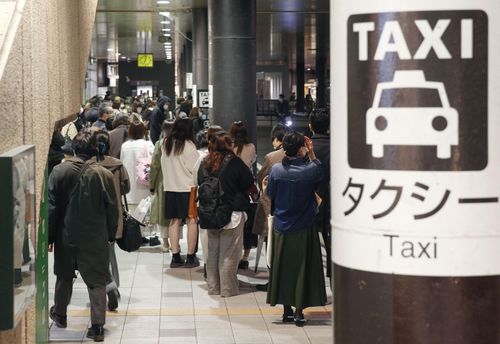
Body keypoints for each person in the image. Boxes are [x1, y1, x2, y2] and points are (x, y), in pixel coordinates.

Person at [48, 130, 119, 342]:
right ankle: (97, 327)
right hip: (95, 236)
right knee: (96, 281)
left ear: (74, 148)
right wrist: (111, 233)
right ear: (95, 150)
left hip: (66, 234)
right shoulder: (103, 175)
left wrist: (50, 238)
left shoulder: (59, 171)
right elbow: (111, 209)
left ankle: (60, 314)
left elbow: (52, 208)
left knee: (64, 275)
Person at [266, 131, 326, 327]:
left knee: (283, 267)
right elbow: (321, 174)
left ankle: (286, 310)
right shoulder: (310, 170)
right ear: (301, 148)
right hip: (304, 225)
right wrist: (312, 153)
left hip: (282, 225)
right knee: (302, 267)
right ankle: (299, 311)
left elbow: (271, 194)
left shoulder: (276, 170)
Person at [197, 131, 254, 297]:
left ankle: (213, 287)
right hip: (232, 213)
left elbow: (199, 182)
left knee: (212, 252)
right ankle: (228, 289)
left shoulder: (204, 162)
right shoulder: (235, 162)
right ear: (228, 145)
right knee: (229, 253)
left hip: (210, 212)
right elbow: (248, 182)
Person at [90, 129, 131, 311]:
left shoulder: (87, 165)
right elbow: (126, 188)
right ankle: (114, 285)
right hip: (113, 214)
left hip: (92, 215)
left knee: (94, 256)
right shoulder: (118, 165)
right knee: (110, 251)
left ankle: (104, 287)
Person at [252, 124, 292, 290]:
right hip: (291, 206)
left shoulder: (271, 157)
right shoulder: (298, 155)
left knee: (271, 244)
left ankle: (273, 280)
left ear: (277, 139)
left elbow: (261, 178)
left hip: (272, 206)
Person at [160, 118, 200, 268]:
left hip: (170, 187)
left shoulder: (166, 143)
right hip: (188, 189)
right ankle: (190, 257)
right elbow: (195, 169)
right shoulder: (189, 146)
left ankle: (175, 256)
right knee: (191, 221)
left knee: (174, 221)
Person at [229, 121, 257, 269]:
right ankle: (244, 257)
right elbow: (251, 164)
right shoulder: (251, 147)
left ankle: (233, 254)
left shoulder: (229, 147)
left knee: (233, 224)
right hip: (246, 189)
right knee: (247, 225)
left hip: (231, 189)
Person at [309, 109, 331, 283]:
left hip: (308, 200)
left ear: (310, 126)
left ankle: (312, 282)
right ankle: (333, 280)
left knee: (308, 243)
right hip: (332, 201)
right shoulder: (338, 146)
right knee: (331, 244)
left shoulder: (305, 147)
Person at [149, 120, 174, 252]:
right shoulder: (180, 144)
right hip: (178, 181)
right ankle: (176, 243)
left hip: (163, 181)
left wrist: (151, 184)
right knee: (176, 214)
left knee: (163, 213)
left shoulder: (160, 144)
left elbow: (154, 166)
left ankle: (165, 243)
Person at [120, 116, 154, 206]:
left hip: (128, 191)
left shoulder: (124, 146)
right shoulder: (148, 145)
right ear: (143, 131)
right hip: (145, 188)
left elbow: (122, 165)